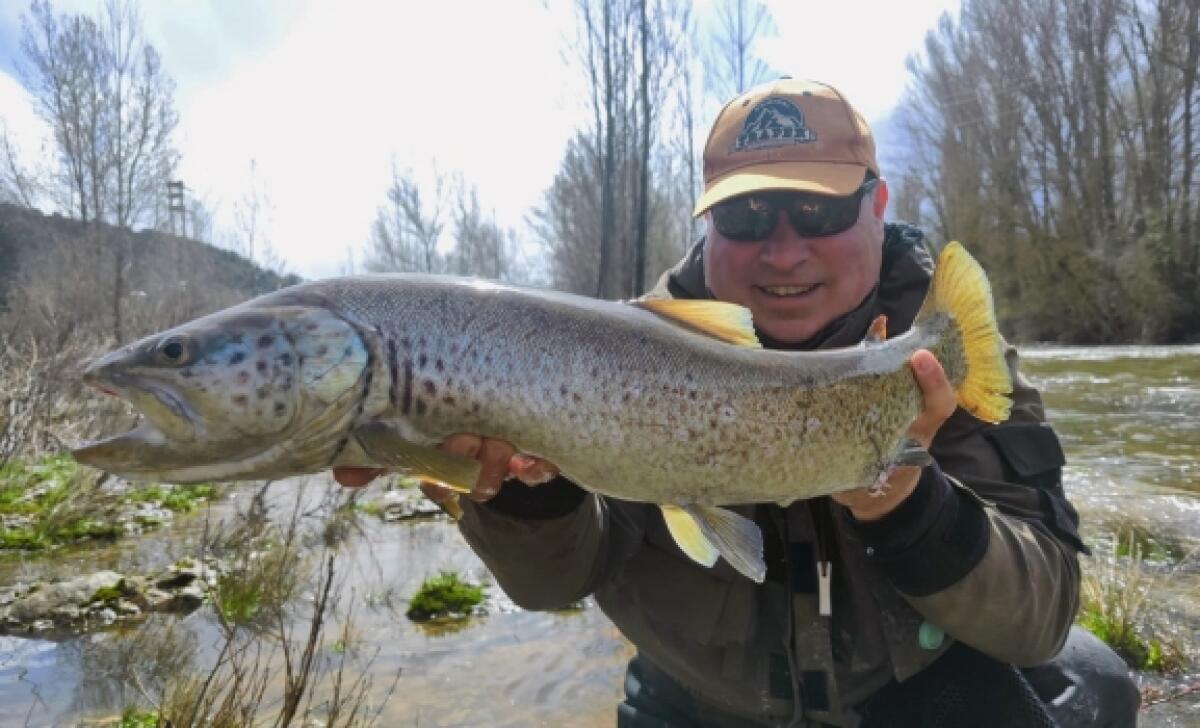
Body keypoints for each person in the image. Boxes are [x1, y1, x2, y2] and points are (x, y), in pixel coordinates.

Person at [336, 79, 1139, 727]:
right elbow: (554, 585)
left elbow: (1038, 620)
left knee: (1097, 680)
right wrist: (526, 497)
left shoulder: (939, 361)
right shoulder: (606, 361)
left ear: (878, 205)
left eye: (819, 213)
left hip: (909, 690)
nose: (783, 249)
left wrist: (901, 493)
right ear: (709, 223)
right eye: (747, 215)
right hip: (700, 700)